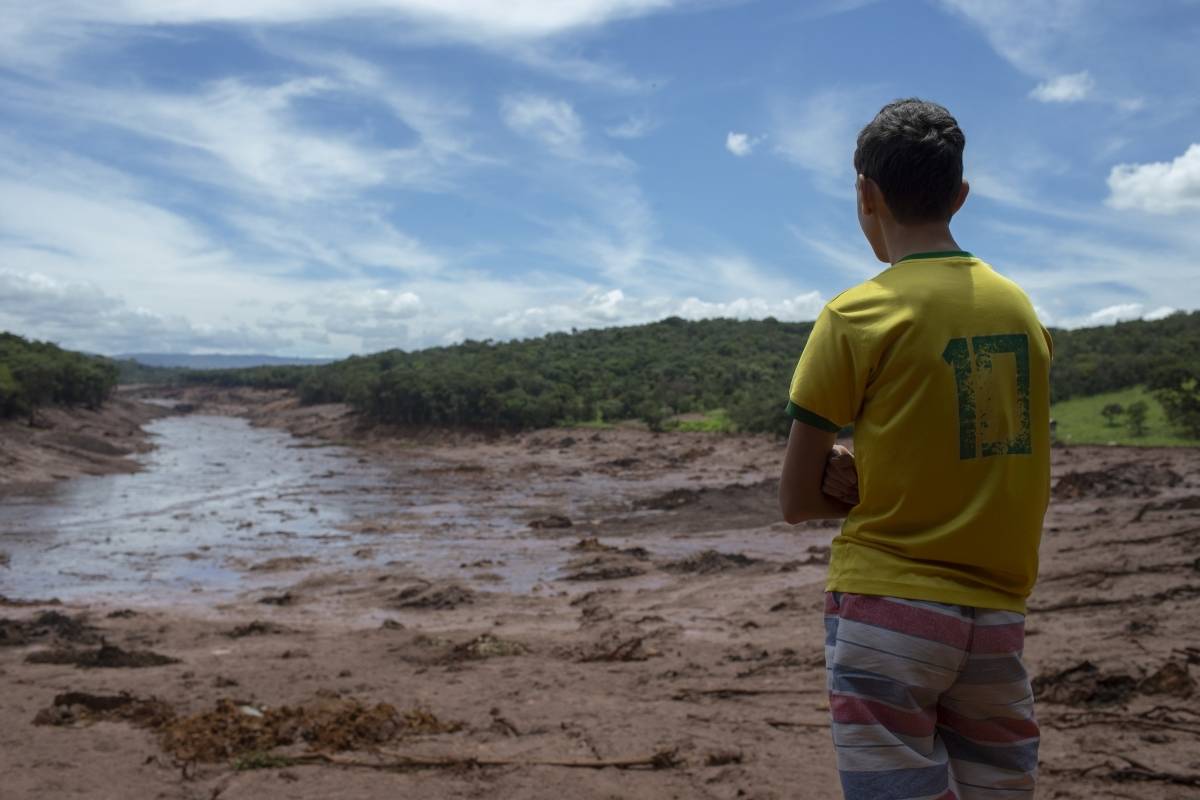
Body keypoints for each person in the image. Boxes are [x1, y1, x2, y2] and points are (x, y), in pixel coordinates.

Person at [778, 98, 1052, 800]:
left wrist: (851, 478)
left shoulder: (855, 315)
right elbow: (983, 449)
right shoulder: (1020, 312)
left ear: (864, 195)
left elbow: (796, 499)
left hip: (886, 609)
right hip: (996, 617)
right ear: (960, 195)